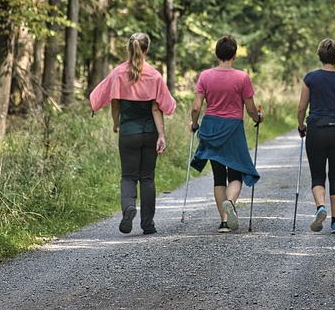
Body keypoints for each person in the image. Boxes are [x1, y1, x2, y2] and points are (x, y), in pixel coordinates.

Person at [89, 32, 176, 235]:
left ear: (129, 49)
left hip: (128, 132)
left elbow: (114, 103)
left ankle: (129, 207)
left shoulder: (118, 73)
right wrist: (161, 135)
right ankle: (148, 224)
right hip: (150, 132)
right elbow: (158, 108)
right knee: (147, 178)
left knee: (128, 177)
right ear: (146, 50)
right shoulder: (154, 75)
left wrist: (116, 123)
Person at [190, 35, 263, 233]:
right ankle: (230, 202)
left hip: (211, 127)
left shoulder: (205, 76)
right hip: (233, 128)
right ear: (234, 55)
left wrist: (194, 124)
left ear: (217, 54)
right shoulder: (242, 77)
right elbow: (249, 109)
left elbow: (196, 107)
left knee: (218, 176)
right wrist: (258, 118)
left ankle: (223, 222)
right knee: (236, 173)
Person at [297, 38, 335, 234]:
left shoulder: (310, 78)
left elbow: (301, 108)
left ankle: (320, 207)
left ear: (320, 56)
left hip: (315, 129)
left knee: (317, 175)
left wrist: (301, 126)